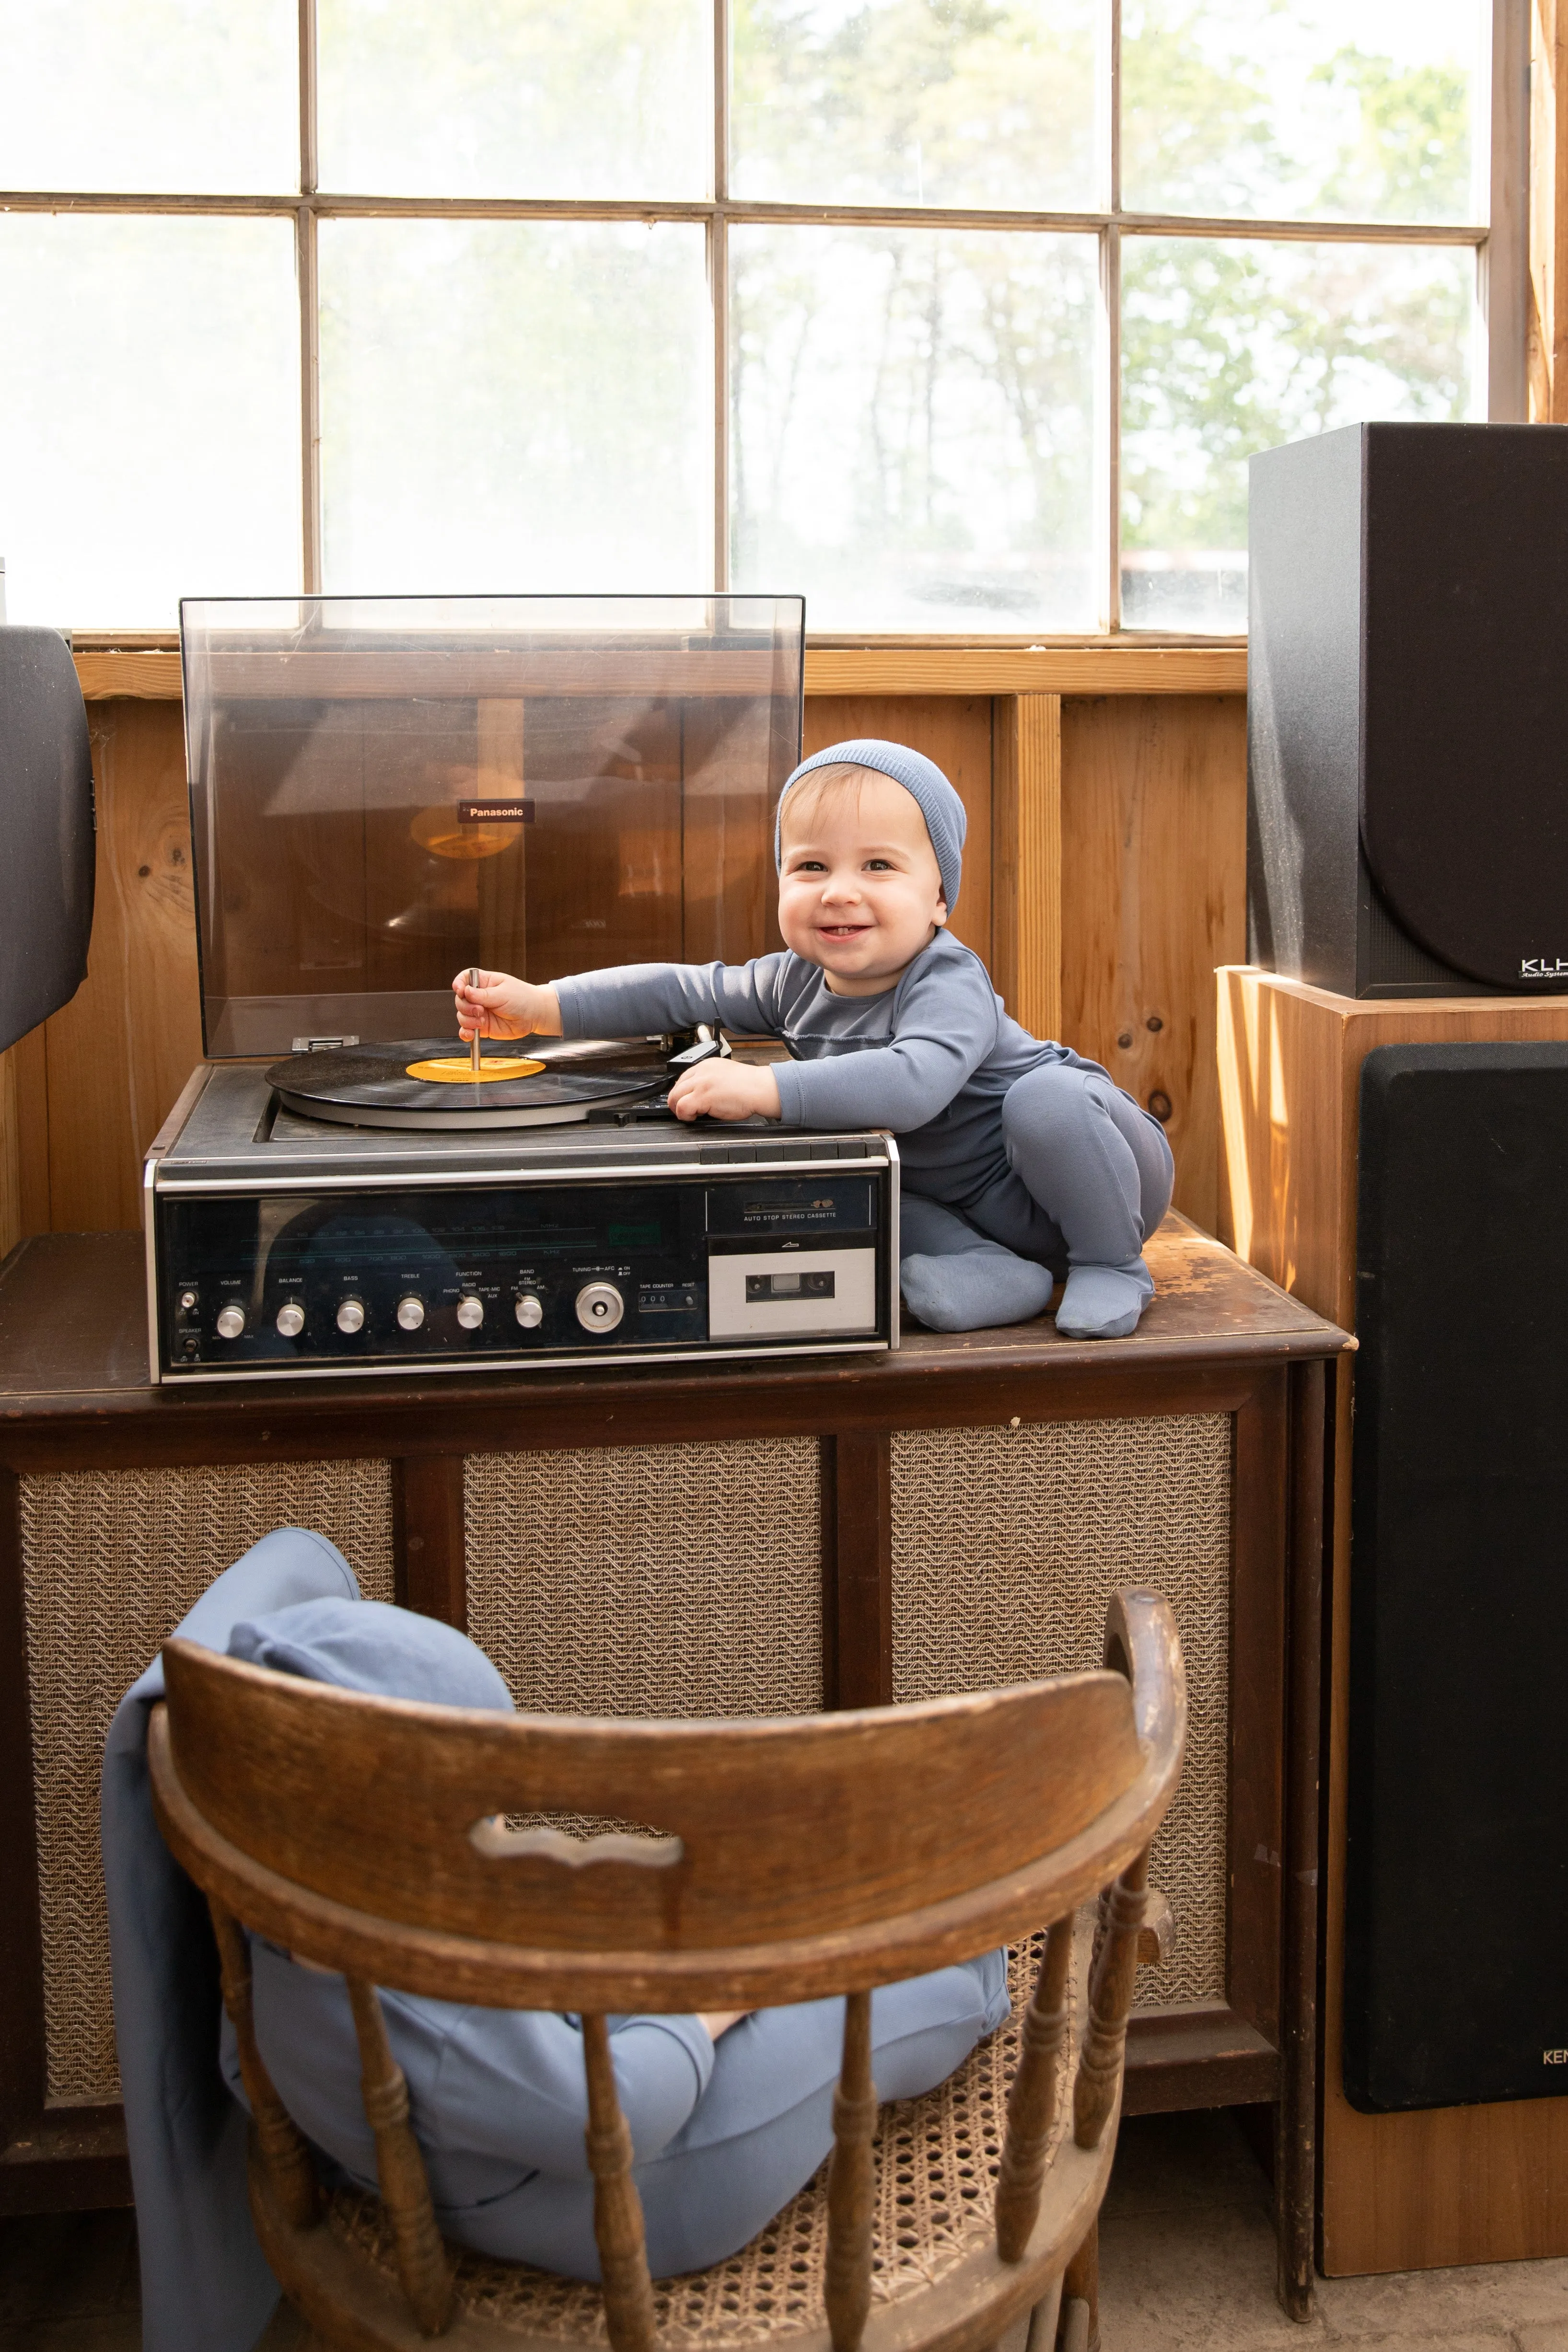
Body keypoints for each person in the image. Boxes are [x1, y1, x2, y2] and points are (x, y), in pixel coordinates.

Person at [219, 1594, 1010, 2283]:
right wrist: (731, 1992)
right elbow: (621, 2113)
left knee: (711, 1907)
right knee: (843, 2022)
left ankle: (843, 1906)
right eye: (481, 1813)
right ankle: (977, 1974)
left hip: (515, 2124)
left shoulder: (282, 1911)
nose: (502, 1827)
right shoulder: (438, 2027)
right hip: (654, 2184)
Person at [455, 737, 1174, 1338]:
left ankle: (1112, 1265)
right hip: (966, 1209)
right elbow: (678, 988)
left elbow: (912, 1084)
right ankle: (996, 1272)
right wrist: (542, 1006)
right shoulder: (790, 981)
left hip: (1093, 1173)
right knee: (854, 1183)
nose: (838, 890)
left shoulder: (947, 977)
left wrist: (765, 1087)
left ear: (939, 898)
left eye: (878, 865)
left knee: (1045, 1101)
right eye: (810, 866)